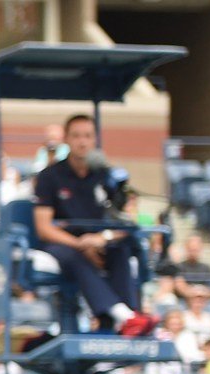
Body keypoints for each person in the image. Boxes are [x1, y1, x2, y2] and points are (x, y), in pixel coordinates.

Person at [33, 114, 149, 335]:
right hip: (64, 243)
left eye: (87, 136)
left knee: (121, 250)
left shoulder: (106, 175)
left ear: (95, 139)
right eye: (76, 136)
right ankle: (126, 317)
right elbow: (44, 228)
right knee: (72, 256)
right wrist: (80, 245)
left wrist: (101, 239)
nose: (82, 142)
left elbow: (123, 223)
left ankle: (120, 323)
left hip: (98, 241)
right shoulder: (49, 176)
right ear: (66, 139)